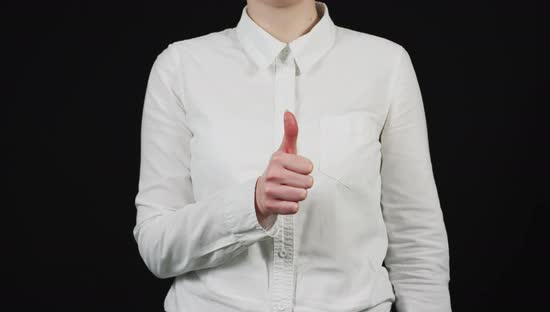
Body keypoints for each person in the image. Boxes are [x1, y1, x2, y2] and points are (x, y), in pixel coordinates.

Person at [132, 1, 451, 311]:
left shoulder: (386, 65)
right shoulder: (180, 68)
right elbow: (157, 244)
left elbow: (417, 247)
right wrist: (252, 205)